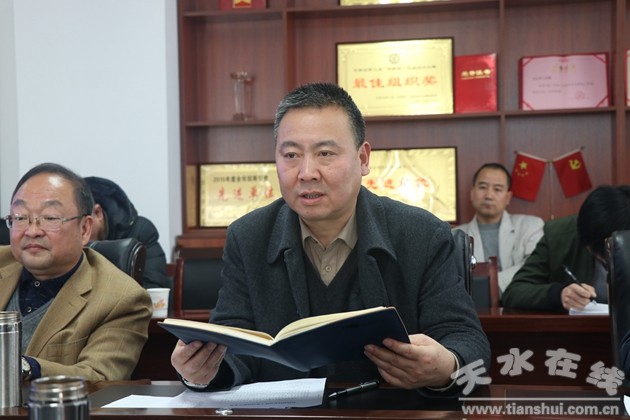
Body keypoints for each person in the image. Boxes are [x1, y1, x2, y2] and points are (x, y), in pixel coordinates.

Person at [171, 82, 490, 396]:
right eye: (291, 155)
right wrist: (202, 371)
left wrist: (445, 366)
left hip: (389, 413)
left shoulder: (422, 234)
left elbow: (467, 342)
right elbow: (231, 344)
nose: (307, 172)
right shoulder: (248, 236)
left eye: (325, 153)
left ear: (363, 159)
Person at [0, 163, 152, 381]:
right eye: (21, 217)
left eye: (50, 218)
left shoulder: (122, 299)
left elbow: (100, 378)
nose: (32, 231)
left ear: (85, 229)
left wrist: (22, 367)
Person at [502, 185, 630, 312]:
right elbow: (514, 292)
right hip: (584, 323)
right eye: (601, 255)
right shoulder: (560, 236)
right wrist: (559, 294)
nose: (606, 260)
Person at [455, 163, 544, 292]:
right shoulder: (456, 235)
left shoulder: (531, 226)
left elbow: (534, 266)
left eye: (497, 189)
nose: (489, 195)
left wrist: (491, 284)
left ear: (508, 197)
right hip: (473, 302)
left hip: (520, 300)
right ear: (472, 193)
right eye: (482, 187)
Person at [84, 176, 169, 290]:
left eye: (82, 224)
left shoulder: (141, 231)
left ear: (98, 213)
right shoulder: (70, 237)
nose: (80, 232)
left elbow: (153, 287)